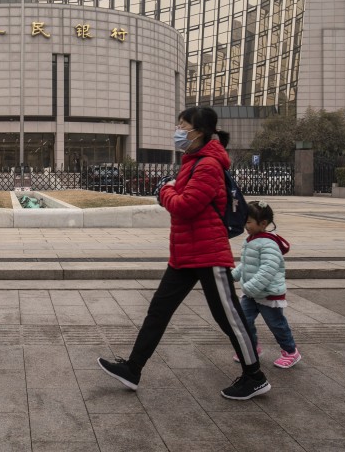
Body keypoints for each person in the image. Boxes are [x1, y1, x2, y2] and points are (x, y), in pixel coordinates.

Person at [97, 106, 271, 401]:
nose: (178, 131)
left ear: (199, 131)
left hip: (208, 253)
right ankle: (133, 368)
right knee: (158, 310)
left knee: (227, 317)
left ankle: (254, 377)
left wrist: (164, 189)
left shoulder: (209, 164)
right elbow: (182, 199)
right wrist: (171, 190)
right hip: (185, 253)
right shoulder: (193, 160)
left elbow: (184, 205)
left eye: (183, 126)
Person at [232, 201, 302, 368]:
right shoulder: (252, 240)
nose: (245, 225)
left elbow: (268, 269)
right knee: (244, 320)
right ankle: (252, 348)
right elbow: (246, 264)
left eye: (248, 222)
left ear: (263, 223)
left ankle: (291, 351)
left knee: (276, 324)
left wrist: (250, 287)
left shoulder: (268, 243)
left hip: (268, 294)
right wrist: (233, 275)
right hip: (252, 293)